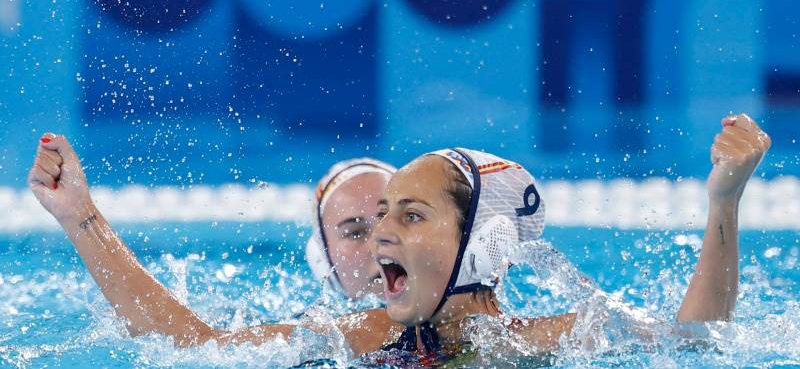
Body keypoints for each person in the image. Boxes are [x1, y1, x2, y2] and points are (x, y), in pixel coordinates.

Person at [26, 113, 770, 360]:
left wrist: (725, 203)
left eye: (407, 214)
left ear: (480, 244)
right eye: (370, 221)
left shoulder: (559, 338)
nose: (380, 233)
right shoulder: (352, 340)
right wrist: (82, 220)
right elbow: (193, 348)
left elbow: (694, 346)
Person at [306, 158, 396, 299]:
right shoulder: (311, 320)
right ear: (323, 260)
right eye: (356, 233)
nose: (381, 244)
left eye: (391, 223)